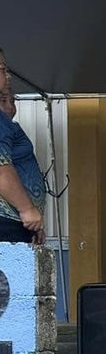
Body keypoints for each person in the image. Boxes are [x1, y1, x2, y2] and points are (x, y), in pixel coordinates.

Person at [0, 86, 46, 244]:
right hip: (6, 224)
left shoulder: (8, 127)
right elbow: (1, 168)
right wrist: (27, 210)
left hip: (15, 222)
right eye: (3, 101)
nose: (10, 108)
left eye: (13, 101)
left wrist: (33, 221)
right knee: (13, 267)